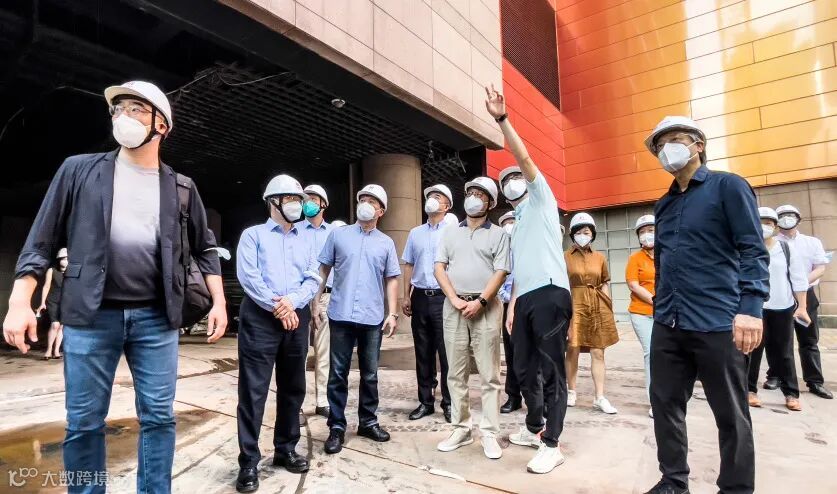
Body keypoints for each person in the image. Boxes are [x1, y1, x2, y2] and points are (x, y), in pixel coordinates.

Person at [2, 81, 227, 494]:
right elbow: (41, 241)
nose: (124, 115)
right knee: (84, 422)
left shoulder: (181, 187)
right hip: (90, 318)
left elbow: (205, 248)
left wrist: (219, 302)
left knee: (159, 418)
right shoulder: (78, 170)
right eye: (119, 108)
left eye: (137, 109)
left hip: (157, 320)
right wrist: (20, 301)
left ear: (162, 125)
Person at [641, 116, 768, 494]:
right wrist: (660, 305)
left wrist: (751, 308)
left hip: (718, 320)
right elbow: (663, 261)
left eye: (676, 139)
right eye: (660, 145)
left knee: (731, 413)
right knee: (665, 404)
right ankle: (673, 481)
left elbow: (753, 249)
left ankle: (736, 488)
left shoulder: (728, 187)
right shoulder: (663, 205)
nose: (667, 149)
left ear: (698, 145)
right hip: (669, 321)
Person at [486, 85, 573, 475]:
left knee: (552, 370)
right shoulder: (516, 225)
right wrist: (512, 307)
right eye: (505, 182)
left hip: (552, 293)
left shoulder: (542, 201)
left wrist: (503, 120)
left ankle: (552, 444)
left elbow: (524, 157)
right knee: (522, 367)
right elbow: (519, 270)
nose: (512, 181)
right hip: (525, 300)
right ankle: (534, 425)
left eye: (515, 177)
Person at [234, 175, 321, 492]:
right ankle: (248, 462)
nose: (297, 205)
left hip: (295, 317)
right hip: (261, 317)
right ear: (273, 202)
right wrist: (279, 306)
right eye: (291, 199)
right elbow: (249, 277)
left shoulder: (307, 239)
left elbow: (313, 278)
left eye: (299, 199)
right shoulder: (253, 236)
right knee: (253, 391)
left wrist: (292, 303)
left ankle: (286, 449)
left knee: (293, 387)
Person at [316, 184, 401, 455]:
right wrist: (316, 301)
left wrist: (392, 313)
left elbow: (392, 279)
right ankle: (336, 427)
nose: (366, 203)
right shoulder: (338, 235)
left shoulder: (386, 243)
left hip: (371, 317)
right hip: (340, 314)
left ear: (381, 211)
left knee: (370, 374)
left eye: (372, 201)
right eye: (363, 199)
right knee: (337, 373)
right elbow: (323, 269)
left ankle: (368, 422)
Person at [433, 176, 510, 459]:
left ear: (490, 203)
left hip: (486, 307)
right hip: (454, 306)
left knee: (490, 374)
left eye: (480, 195)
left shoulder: (499, 234)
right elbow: (439, 267)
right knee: (455, 372)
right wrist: (454, 298)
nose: (474, 198)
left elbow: (501, 271)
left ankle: (489, 432)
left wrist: (481, 301)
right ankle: (461, 428)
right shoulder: (450, 232)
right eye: (471, 193)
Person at [765, 205, 833, 399]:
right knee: (776, 340)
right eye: (782, 216)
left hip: (805, 296)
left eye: (791, 216)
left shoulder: (811, 242)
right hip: (778, 296)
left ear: (799, 219)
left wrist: (799, 284)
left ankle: (814, 381)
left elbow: (820, 268)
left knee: (809, 339)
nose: (787, 219)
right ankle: (775, 376)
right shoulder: (771, 243)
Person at [746, 207, 809, 412]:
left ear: (775, 227)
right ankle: (749, 390)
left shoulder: (786, 249)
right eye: (760, 222)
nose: (764, 227)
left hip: (782, 306)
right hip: (756, 306)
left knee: (784, 351)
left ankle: (791, 393)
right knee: (752, 349)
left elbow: (799, 279)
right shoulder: (747, 248)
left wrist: (802, 307)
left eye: (769, 223)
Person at [402, 184, 454, 422]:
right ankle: (425, 402)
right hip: (420, 296)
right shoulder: (415, 233)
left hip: (445, 297)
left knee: (447, 353)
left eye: (437, 196)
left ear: (447, 205)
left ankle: (449, 403)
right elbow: (409, 264)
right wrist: (406, 295)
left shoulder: (454, 231)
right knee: (423, 352)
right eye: (430, 196)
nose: (432, 199)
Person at [564, 213, 620, 415]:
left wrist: (608, 306)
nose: (583, 235)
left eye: (586, 232)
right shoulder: (564, 256)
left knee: (598, 351)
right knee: (573, 348)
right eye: (579, 232)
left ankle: (600, 397)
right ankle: (571, 391)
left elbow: (605, 282)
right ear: (572, 234)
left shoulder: (600, 257)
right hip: (573, 304)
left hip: (597, 305)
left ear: (592, 234)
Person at [300, 183, 336, 418]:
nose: (308, 203)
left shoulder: (334, 233)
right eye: (305, 199)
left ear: (324, 204)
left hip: (325, 297)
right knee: (298, 352)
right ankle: (296, 404)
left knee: (324, 352)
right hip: (299, 298)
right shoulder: (294, 229)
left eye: (313, 199)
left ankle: (322, 400)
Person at [626, 215, 656, 417]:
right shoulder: (635, 258)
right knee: (651, 354)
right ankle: (655, 400)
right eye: (642, 232)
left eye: (650, 230)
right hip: (642, 312)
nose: (646, 235)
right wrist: (655, 301)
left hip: (667, 313)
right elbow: (633, 284)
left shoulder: (667, 254)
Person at [497, 211, 521, 414]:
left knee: (533, 353)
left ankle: (537, 396)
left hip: (529, 304)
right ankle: (513, 396)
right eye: (506, 223)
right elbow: (496, 279)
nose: (509, 226)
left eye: (513, 222)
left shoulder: (527, 248)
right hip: (507, 306)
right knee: (511, 352)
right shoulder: (500, 251)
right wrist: (507, 298)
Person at [40, 248, 69, 360]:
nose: (65, 261)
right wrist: (42, 302)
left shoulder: (71, 273)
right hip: (53, 300)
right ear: (59, 259)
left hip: (66, 302)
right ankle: (48, 350)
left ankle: (56, 350)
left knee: (61, 326)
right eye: (63, 259)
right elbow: (46, 286)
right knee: (55, 325)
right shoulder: (52, 270)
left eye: (67, 259)